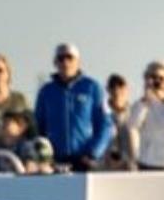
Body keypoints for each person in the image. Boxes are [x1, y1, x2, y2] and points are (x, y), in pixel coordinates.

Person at [33, 42, 113, 171]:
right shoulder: (46, 91)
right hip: (55, 161)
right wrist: (44, 156)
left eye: (70, 58)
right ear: (55, 62)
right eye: (61, 58)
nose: (65, 62)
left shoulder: (92, 87)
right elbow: (38, 125)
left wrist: (93, 153)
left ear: (78, 62)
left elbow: (105, 124)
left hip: (85, 159)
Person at [0, 109, 55, 174]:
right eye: (2, 125)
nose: (2, 129)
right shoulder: (2, 150)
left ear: (22, 126)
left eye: (6, 124)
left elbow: (34, 170)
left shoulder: (37, 145)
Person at [101, 73, 134, 171]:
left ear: (127, 89)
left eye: (120, 86)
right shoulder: (101, 114)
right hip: (106, 166)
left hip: (129, 167)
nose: (117, 90)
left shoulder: (135, 114)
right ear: (108, 90)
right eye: (113, 87)